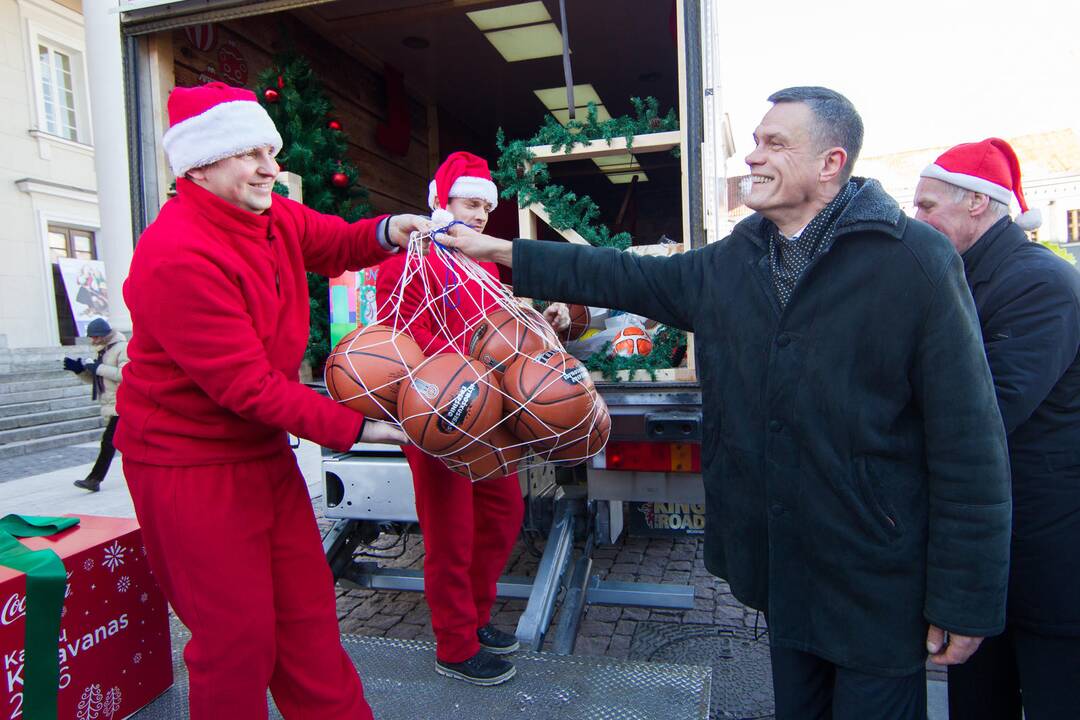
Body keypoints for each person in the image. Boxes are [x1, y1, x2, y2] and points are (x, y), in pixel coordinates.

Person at [438, 87, 1012, 718]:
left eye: (775, 144)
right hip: (784, 570)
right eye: (756, 141)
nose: (754, 158)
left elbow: (969, 441)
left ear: (830, 162)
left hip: (875, 578)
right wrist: (502, 251)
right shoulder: (737, 260)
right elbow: (628, 275)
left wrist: (966, 598)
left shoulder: (914, 262)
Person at [115, 81, 434, 720]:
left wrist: (390, 228)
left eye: (271, 149)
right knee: (237, 640)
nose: (270, 167)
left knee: (307, 619)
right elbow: (245, 386)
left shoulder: (271, 213)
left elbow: (336, 243)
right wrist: (359, 428)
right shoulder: (175, 253)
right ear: (199, 165)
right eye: (249, 153)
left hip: (261, 454)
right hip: (186, 467)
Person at [375, 151, 567, 686]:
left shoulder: (481, 265)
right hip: (437, 416)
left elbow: (498, 327)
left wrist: (535, 320)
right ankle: (455, 645)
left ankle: (476, 619)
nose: (480, 215)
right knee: (450, 535)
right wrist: (486, 358)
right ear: (441, 201)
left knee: (502, 516)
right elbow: (402, 344)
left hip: (488, 417)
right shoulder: (404, 263)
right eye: (469, 203)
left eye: (486, 206)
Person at [913, 138, 1080, 720]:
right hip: (989, 555)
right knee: (976, 700)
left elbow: (987, 414)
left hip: (1047, 554)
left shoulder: (1039, 285)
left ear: (977, 204)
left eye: (928, 206)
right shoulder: (963, 279)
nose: (919, 219)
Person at [63, 317, 128, 492]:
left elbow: (125, 375)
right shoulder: (104, 351)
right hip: (112, 403)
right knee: (122, 442)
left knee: (108, 442)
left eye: (95, 337)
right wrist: (80, 370)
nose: (93, 340)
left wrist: (97, 368)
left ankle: (94, 479)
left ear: (104, 335)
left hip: (122, 404)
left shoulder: (122, 348)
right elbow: (99, 380)